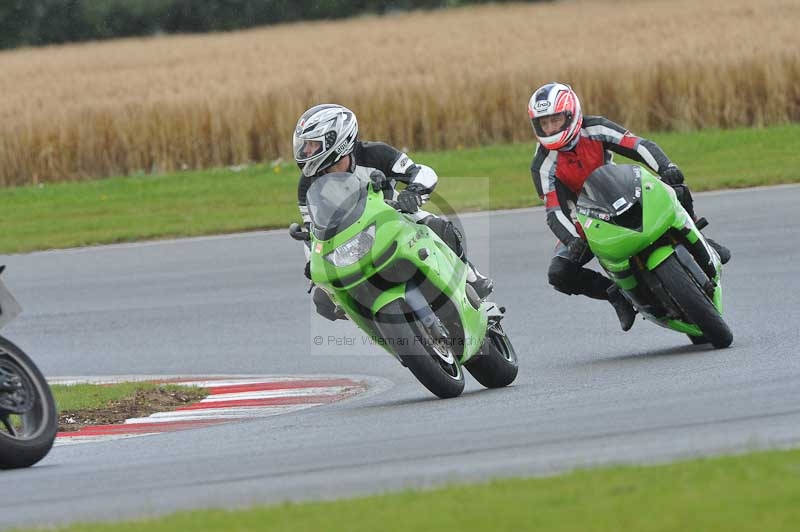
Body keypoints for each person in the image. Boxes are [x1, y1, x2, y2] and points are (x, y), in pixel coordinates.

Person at [528, 82, 731, 331]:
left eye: (555, 120)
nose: (550, 128)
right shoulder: (542, 164)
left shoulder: (595, 127)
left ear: (571, 114)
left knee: (674, 188)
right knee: (559, 272)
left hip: (620, 190)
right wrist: (572, 240)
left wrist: (666, 167)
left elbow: (637, 145)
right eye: (544, 123)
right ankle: (616, 294)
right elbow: (554, 211)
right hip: (583, 220)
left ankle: (701, 239)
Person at [293, 103, 493, 321]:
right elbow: (312, 233)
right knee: (322, 300)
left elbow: (421, 172)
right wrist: (313, 265)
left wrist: (414, 192)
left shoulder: (375, 153)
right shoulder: (307, 186)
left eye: (313, 145)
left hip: (394, 217)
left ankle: (471, 277)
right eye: (306, 146)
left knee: (436, 225)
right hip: (348, 243)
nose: (307, 151)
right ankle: (379, 326)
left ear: (336, 140)